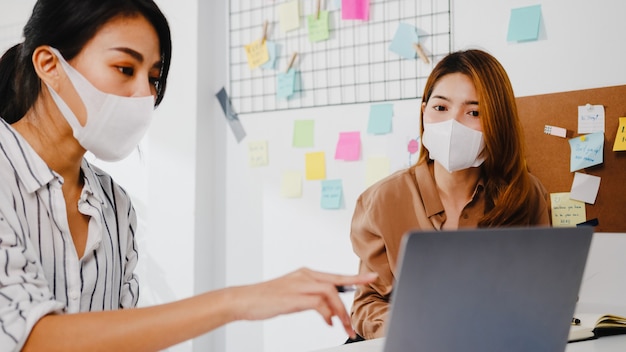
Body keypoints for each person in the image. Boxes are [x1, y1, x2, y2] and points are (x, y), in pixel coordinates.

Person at [0, 1, 377, 351]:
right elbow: (30, 337)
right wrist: (237, 301)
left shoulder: (114, 203)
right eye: (125, 69)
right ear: (50, 64)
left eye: (154, 77)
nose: (144, 95)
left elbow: (122, 336)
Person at [348, 49, 551, 341]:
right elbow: (367, 305)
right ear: (424, 112)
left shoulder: (527, 194)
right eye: (441, 108)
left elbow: (541, 292)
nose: (452, 125)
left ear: (498, 122)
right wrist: (419, 328)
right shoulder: (382, 200)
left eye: (474, 112)